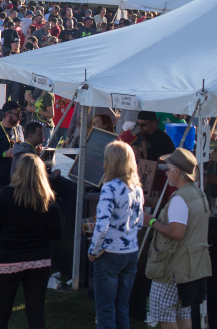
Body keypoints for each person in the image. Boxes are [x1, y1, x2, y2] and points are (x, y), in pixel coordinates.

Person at [0, 153, 63, 329]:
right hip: (39, 259)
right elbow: (57, 233)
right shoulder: (48, 198)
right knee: (36, 315)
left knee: (1, 315)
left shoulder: (6, 194)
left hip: (9, 258)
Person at [144, 148, 211, 329]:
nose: (166, 173)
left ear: (178, 172)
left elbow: (176, 232)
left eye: (168, 169)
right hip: (189, 266)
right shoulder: (199, 193)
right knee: (183, 312)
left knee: (167, 315)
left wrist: (150, 222)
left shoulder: (180, 198)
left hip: (172, 267)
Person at [88, 141, 144, 329]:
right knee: (122, 307)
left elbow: (102, 225)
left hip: (110, 253)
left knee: (105, 308)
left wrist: (94, 250)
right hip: (131, 252)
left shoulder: (110, 187)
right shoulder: (136, 188)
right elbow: (140, 222)